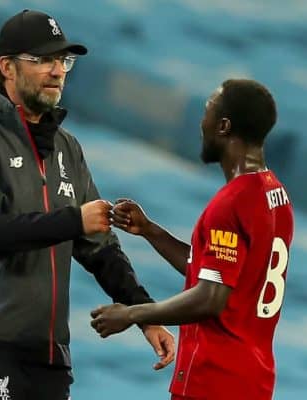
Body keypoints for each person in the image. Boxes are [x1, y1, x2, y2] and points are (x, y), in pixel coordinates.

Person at [0, 9, 174, 400]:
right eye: (42, 60)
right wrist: (72, 221)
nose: (57, 70)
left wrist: (144, 315)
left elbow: (100, 250)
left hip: (49, 353)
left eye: (63, 60)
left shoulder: (67, 148)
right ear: (7, 68)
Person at [91, 79, 294, 400]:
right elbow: (220, 271)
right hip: (252, 380)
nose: (202, 123)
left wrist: (132, 314)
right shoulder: (275, 195)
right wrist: (150, 231)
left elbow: (210, 297)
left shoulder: (231, 204)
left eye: (207, 112)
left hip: (213, 380)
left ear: (224, 126)